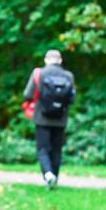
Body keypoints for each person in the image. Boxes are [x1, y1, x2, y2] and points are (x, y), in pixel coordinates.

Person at [23, 49, 76, 189]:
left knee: (43, 148)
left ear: (46, 60)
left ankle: (48, 175)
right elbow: (72, 99)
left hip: (42, 118)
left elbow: (27, 94)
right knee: (57, 150)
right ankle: (55, 179)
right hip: (60, 119)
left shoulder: (39, 73)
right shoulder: (68, 75)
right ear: (60, 60)